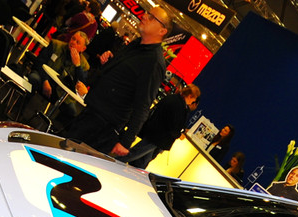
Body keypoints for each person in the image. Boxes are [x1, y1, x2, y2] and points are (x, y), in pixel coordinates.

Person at [62, 6, 171, 156]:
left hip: (103, 126)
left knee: (67, 158)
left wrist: (126, 141)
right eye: (147, 13)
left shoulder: (154, 62)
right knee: (63, 153)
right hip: (92, 112)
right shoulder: (136, 45)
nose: (144, 16)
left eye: (152, 17)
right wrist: (110, 63)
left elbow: (143, 105)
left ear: (162, 31)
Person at [124, 84, 200, 168]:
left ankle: (125, 166)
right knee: (136, 154)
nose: (193, 101)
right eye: (194, 99)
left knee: (142, 158)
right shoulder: (179, 106)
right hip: (159, 137)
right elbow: (173, 125)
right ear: (190, 96)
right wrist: (179, 134)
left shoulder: (173, 99)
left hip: (155, 133)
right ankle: (116, 161)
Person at [28, 30, 90, 103]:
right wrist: (45, 80)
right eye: (73, 38)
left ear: (83, 49)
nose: (73, 42)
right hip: (43, 78)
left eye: (78, 42)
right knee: (34, 78)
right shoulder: (56, 45)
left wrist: (77, 66)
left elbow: (81, 86)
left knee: (70, 108)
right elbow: (39, 62)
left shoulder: (84, 65)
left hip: (60, 92)